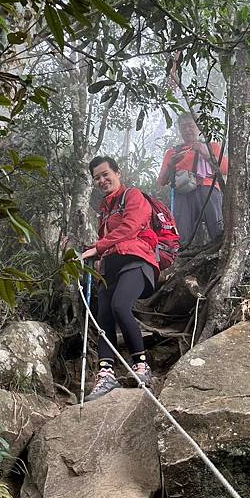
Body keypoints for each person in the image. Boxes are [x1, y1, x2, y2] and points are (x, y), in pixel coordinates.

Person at [81, 156, 159, 402]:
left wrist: (99, 246)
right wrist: (91, 250)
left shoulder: (133, 196)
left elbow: (131, 226)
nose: (102, 180)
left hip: (137, 259)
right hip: (110, 267)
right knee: (103, 318)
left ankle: (142, 366)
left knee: (119, 306)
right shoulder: (105, 209)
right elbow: (108, 240)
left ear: (118, 172)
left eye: (105, 174)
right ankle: (106, 374)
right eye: (97, 178)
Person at [157, 114, 228, 244]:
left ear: (198, 128)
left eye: (190, 126)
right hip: (183, 193)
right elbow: (161, 181)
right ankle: (182, 255)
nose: (187, 130)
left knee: (216, 228)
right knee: (182, 232)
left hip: (208, 189)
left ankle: (219, 249)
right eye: (183, 127)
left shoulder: (211, 146)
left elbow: (225, 168)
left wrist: (205, 153)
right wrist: (171, 164)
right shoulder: (173, 152)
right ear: (179, 129)